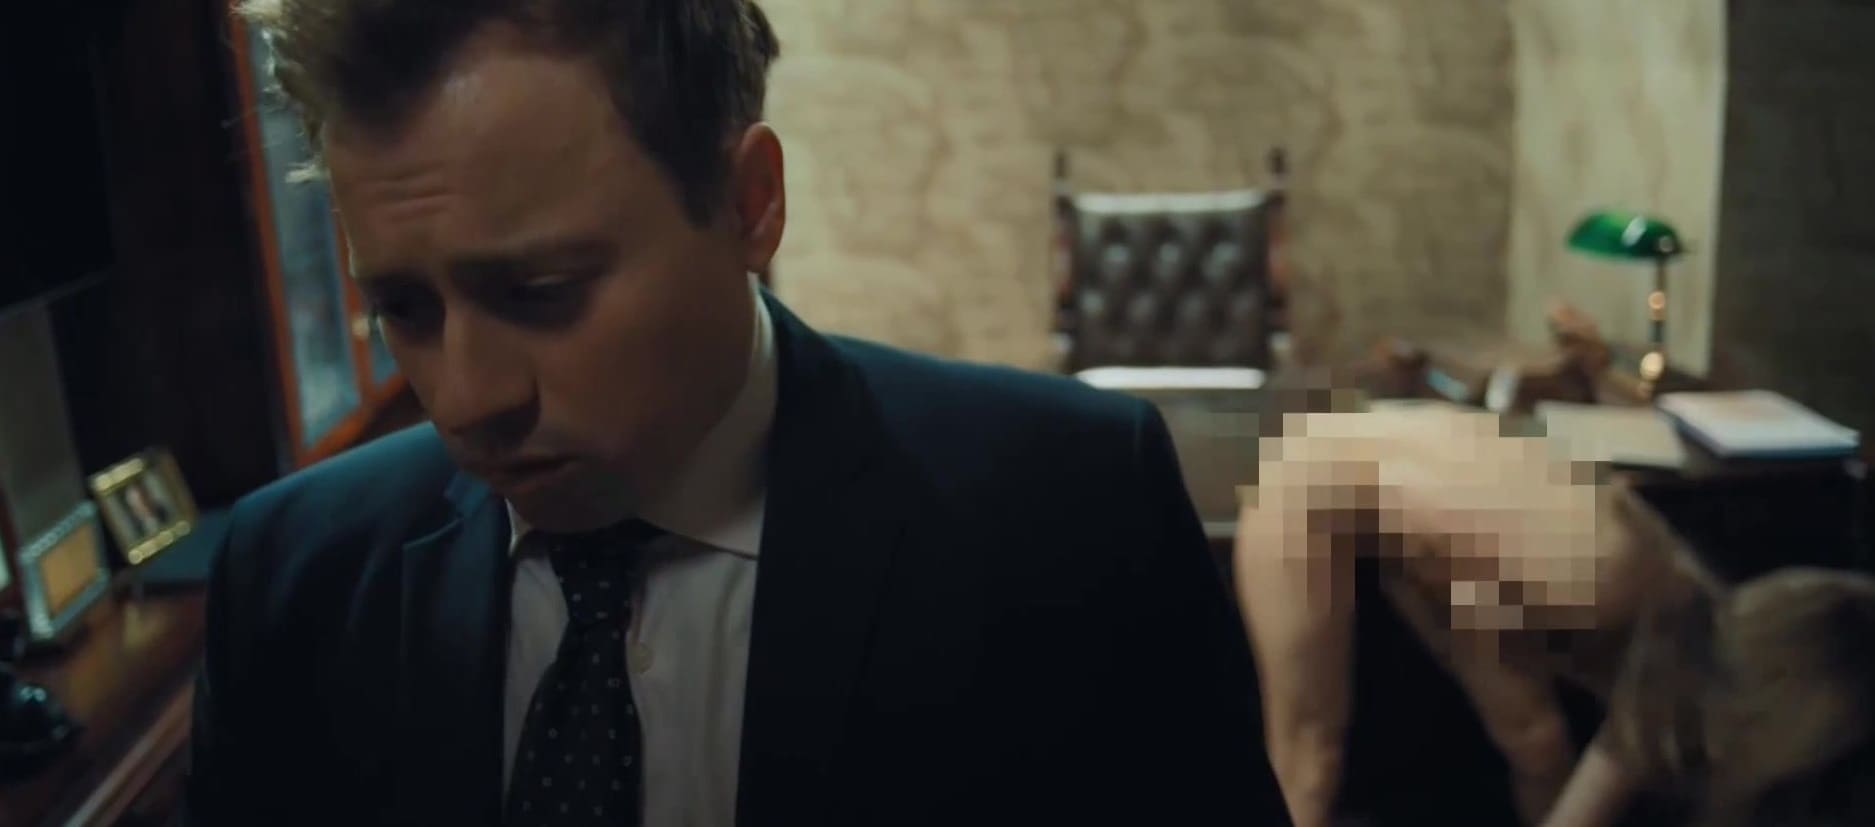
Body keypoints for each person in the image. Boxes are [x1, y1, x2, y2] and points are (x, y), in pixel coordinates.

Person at [185, 2, 1287, 826]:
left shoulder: (1072, 516)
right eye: (403, 309)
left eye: (542, 291)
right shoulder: (290, 579)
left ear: (750, 204)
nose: (469, 400)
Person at [1235, 402, 1875, 827]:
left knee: (1537, 744)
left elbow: (1613, 749)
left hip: (1430, 521)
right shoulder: (1603, 586)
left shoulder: (1673, 609)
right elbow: (1622, 746)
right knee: (1309, 762)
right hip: (1309, 489)